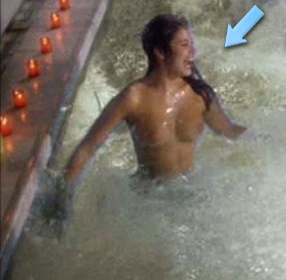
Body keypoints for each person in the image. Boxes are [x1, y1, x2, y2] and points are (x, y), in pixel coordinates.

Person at [64, 14, 246, 183]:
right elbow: (87, 149)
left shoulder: (200, 94)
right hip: (148, 197)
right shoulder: (134, 98)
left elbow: (229, 130)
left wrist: (261, 140)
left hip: (189, 193)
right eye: (184, 45)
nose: (193, 52)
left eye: (192, 44)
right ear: (160, 52)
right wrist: (61, 196)